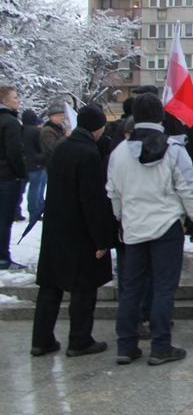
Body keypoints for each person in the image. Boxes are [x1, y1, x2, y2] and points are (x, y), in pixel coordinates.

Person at [106, 93, 193, 365]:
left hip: (133, 227)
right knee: (163, 288)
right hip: (166, 227)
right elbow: (189, 187)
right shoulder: (173, 149)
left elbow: (113, 192)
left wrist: (121, 218)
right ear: (161, 116)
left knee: (131, 287)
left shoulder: (119, 152)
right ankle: (161, 345)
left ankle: (126, 346)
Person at [30, 105, 114, 358]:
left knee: (50, 285)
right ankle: (80, 340)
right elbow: (92, 201)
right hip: (80, 231)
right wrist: (102, 238)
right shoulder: (87, 153)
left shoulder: (62, 148)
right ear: (97, 128)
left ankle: (41, 340)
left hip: (55, 226)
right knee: (83, 286)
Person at [0, 85, 27, 270]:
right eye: (15, 97)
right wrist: (20, 174)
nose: (19, 100)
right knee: (5, 219)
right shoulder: (10, 122)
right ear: (5, 101)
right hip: (7, 178)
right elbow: (15, 152)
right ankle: (3, 258)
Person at [20, 109, 46, 223]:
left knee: (20, 190)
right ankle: (34, 212)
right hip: (36, 164)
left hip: (21, 164)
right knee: (35, 190)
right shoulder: (36, 131)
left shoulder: (18, 130)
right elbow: (41, 147)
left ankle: (16, 211)